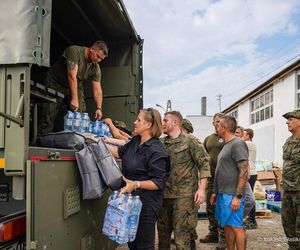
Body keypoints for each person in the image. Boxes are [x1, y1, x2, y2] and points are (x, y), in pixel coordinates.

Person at [105, 108, 170, 250]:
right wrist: (100, 144)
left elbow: (158, 182)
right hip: (129, 202)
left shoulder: (157, 151)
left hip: (146, 205)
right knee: (132, 243)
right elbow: (119, 153)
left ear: (148, 125)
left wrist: (136, 184)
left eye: (139, 120)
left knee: (144, 246)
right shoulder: (136, 141)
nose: (135, 122)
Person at [157, 111, 211, 250]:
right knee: (163, 238)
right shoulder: (161, 142)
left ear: (175, 122)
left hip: (184, 197)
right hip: (164, 196)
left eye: (165, 120)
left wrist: (201, 189)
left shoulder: (190, 141)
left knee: (182, 239)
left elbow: (204, 164)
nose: (163, 123)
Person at [38, 40, 108, 135]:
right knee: (49, 111)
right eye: (98, 56)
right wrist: (74, 99)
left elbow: (97, 89)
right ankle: (42, 138)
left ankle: (76, 139)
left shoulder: (95, 67)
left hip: (76, 84)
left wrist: (99, 108)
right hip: (56, 82)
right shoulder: (74, 51)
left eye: (101, 59)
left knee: (80, 113)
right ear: (91, 49)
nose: (98, 60)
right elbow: (71, 76)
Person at [211, 115, 249, 250]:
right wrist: (215, 192)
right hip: (223, 193)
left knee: (236, 227)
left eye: (219, 125)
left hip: (232, 194)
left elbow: (244, 171)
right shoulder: (226, 145)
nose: (217, 126)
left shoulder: (237, 143)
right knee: (227, 225)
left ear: (224, 128)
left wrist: (238, 197)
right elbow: (221, 171)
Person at [200, 113, 227, 250]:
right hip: (211, 178)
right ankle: (213, 232)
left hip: (224, 178)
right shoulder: (208, 139)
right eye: (215, 121)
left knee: (222, 207)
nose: (217, 123)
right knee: (211, 206)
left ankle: (224, 237)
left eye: (219, 121)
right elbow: (204, 158)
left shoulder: (228, 138)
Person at [181, 118, 201, 249]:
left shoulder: (193, 141)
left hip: (190, 188)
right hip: (179, 188)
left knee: (190, 219)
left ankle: (191, 242)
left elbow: (202, 164)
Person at [281, 109, 300, 250]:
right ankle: (292, 247)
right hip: (288, 189)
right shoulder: (288, 141)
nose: (287, 122)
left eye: (291, 119)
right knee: (287, 222)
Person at [242, 128, 257, 230]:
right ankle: (250, 219)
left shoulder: (248, 143)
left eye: (243, 135)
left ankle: (252, 220)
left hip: (250, 173)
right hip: (251, 172)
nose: (242, 137)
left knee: (249, 197)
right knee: (249, 196)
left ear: (248, 136)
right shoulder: (249, 144)